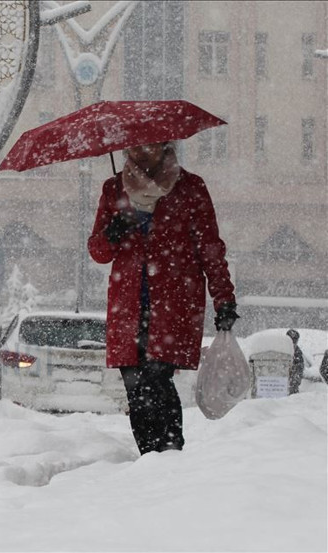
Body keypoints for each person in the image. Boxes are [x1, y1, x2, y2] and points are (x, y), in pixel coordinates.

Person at [88, 141, 238, 455]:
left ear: (165, 147)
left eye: (150, 146)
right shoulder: (115, 189)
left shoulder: (190, 188)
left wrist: (224, 299)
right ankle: (148, 457)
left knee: (157, 379)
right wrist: (114, 230)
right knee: (134, 385)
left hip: (175, 306)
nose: (142, 152)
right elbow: (98, 252)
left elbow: (211, 249)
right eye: (135, 146)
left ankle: (170, 453)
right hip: (128, 306)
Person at [286, 329, 304, 394]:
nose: (293, 343)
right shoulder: (281, 350)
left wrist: (293, 384)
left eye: (295, 341)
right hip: (278, 385)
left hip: (291, 388)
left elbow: (299, 370)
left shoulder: (297, 353)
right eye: (291, 340)